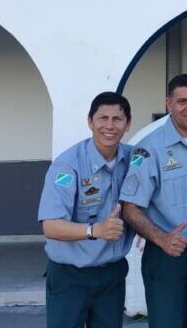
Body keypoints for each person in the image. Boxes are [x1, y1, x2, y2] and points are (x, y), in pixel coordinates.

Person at [120, 74, 187, 328]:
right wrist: (161, 239)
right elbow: (130, 208)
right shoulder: (149, 148)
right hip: (168, 257)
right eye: (182, 101)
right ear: (169, 103)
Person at [38, 92, 135, 328]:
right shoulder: (67, 165)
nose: (109, 126)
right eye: (103, 118)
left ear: (128, 124)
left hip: (112, 275)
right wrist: (97, 230)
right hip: (70, 276)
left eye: (117, 119)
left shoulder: (134, 159)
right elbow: (50, 225)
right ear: (90, 122)